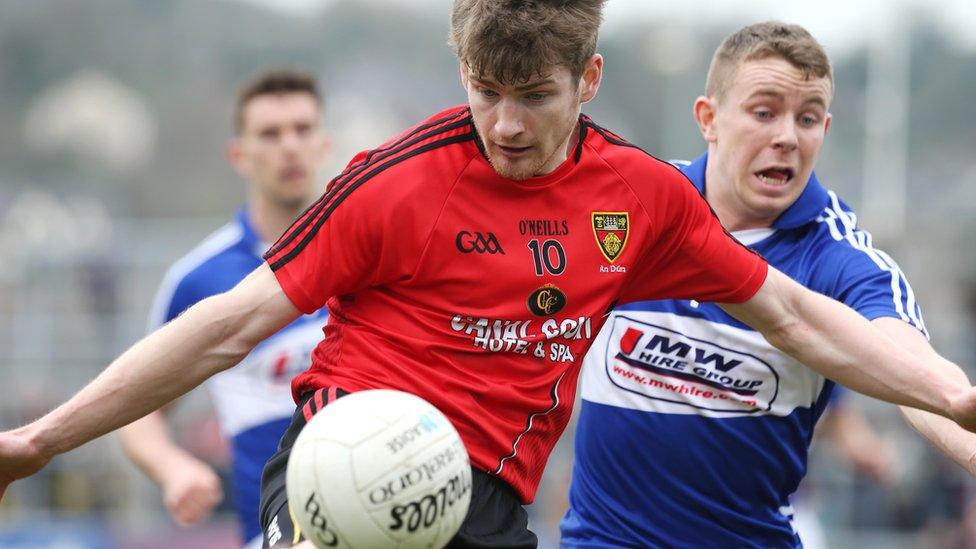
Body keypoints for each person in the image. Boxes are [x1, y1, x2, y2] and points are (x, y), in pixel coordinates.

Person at [2, 4, 976, 548]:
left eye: (534, 97)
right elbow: (225, 324)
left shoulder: (638, 200)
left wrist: (952, 397)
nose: (505, 124)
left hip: (489, 508)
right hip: (345, 464)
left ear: (588, 81)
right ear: (460, 66)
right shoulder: (392, 182)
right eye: (485, 91)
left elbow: (798, 319)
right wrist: (40, 443)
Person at [561, 21, 976, 548]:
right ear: (708, 119)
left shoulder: (839, 258)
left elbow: (913, 373)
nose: (786, 136)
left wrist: (963, 419)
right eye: (764, 112)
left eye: (806, 119)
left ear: (824, 131)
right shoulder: (633, 207)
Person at [118, 70, 331, 547]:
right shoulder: (198, 279)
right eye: (270, 134)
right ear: (240, 154)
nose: (290, 146)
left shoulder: (370, 254)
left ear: (324, 143)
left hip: (386, 520)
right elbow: (136, 410)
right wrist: (173, 468)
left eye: (302, 129)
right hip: (274, 533)